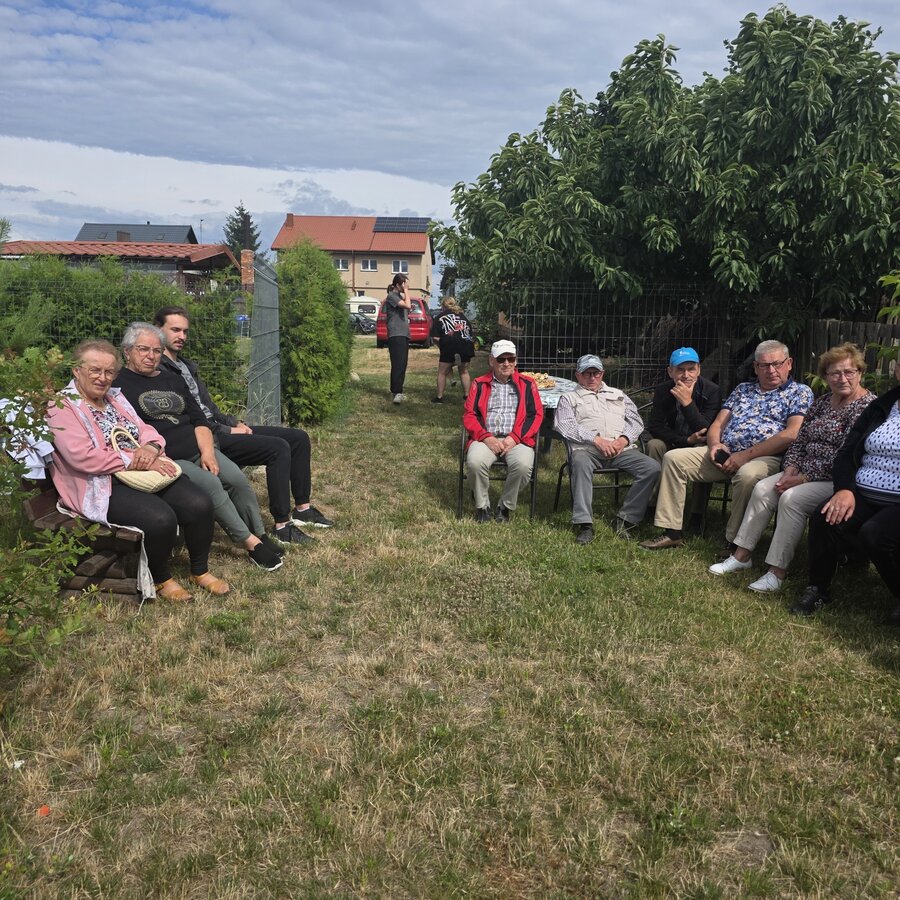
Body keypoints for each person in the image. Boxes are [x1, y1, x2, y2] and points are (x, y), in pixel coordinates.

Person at [46, 339, 229, 602]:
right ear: (76, 370)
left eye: (109, 372)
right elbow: (82, 457)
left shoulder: (115, 398)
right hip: (101, 483)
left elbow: (145, 429)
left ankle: (199, 570)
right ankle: (162, 578)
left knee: (199, 502)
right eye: (95, 370)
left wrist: (152, 448)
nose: (102, 377)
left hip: (141, 473)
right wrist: (136, 459)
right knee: (160, 518)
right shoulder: (61, 407)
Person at [154, 306, 332, 545]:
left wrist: (234, 422)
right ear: (157, 329)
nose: (182, 336)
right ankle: (282, 524)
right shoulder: (159, 372)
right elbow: (191, 418)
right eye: (175, 330)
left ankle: (302, 508)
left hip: (220, 427)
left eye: (185, 331)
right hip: (209, 439)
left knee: (298, 437)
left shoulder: (186, 365)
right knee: (278, 448)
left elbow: (208, 407)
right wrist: (228, 430)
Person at [112, 323, 284, 572]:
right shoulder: (118, 384)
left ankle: (259, 532)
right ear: (127, 351)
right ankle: (250, 543)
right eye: (143, 349)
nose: (151, 356)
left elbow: (199, 420)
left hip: (197, 447)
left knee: (236, 478)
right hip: (166, 456)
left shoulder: (173, 379)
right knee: (212, 485)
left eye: (157, 350)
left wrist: (207, 453)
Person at [709, 343, 874, 592]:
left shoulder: (867, 408)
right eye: (834, 373)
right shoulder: (822, 403)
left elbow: (847, 454)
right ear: (826, 376)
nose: (842, 378)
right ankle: (741, 556)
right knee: (765, 489)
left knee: (791, 499)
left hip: (837, 481)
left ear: (860, 373)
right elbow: (799, 440)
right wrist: (790, 469)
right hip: (799, 473)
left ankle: (777, 571)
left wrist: (804, 478)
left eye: (849, 372)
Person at [640, 340, 813, 551]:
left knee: (747, 475)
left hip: (765, 457)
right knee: (673, 459)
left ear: (789, 363)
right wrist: (715, 446)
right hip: (727, 451)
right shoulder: (743, 389)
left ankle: (733, 540)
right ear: (756, 367)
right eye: (764, 365)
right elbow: (718, 424)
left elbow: (791, 434)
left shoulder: (800, 392)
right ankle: (672, 532)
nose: (771, 370)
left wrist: (745, 456)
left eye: (777, 364)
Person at [792, 367, 900, 624]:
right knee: (824, 516)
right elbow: (847, 452)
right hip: (863, 491)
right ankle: (818, 589)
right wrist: (844, 489)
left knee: (875, 533)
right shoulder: (882, 406)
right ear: (896, 371)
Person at [554, 354, 660, 544]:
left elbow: (636, 421)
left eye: (596, 372)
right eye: (587, 373)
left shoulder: (619, 395)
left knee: (652, 468)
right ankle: (585, 524)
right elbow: (565, 426)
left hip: (620, 450)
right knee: (578, 462)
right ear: (577, 375)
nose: (592, 377)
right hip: (587, 450)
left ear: (602, 373)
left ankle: (625, 519)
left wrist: (622, 441)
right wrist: (596, 440)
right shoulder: (568, 398)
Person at [463, 340, 544, 522]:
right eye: (501, 359)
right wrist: (486, 437)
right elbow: (469, 415)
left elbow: (535, 415)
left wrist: (514, 438)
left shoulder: (528, 384)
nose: (506, 363)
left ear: (516, 361)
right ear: (491, 361)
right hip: (486, 438)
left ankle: (504, 506)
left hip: (517, 439)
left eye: (510, 359)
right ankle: (483, 506)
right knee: (475, 462)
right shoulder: (480, 383)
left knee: (523, 466)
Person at [646, 347, 722, 521]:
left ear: (699, 370)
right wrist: (684, 439)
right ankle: (652, 504)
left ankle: (697, 513)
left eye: (691, 369)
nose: (686, 375)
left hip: (699, 442)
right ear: (670, 371)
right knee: (654, 445)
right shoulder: (663, 390)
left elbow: (705, 430)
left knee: (704, 450)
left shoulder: (711, 391)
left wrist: (687, 403)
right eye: (680, 369)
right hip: (674, 439)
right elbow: (655, 426)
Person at [430, 296, 474, 403]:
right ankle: (467, 396)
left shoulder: (440, 317)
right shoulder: (463, 317)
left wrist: (441, 346)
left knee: (442, 372)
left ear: (443, 306)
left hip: (449, 343)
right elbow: (469, 334)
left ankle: (439, 397)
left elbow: (435, 337)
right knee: (464, 371)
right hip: (465, 343)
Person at [385, 273, 411, 404]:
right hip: (396, 334)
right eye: (404, 284)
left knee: (402, 364)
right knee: (398, 364)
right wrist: (406, 291)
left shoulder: (399, 297)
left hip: (404, 334)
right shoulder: (391, 296)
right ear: (397, 285)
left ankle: (398, 391)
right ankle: (396, 392)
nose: (406, 286)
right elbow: (408, 306)